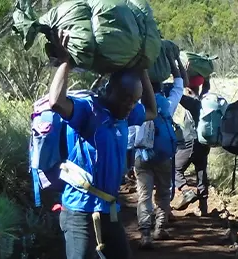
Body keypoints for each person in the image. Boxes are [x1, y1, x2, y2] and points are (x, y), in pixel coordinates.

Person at [46, 30, 158, 259]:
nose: (130, 105)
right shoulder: (88, 109)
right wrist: (67, 62)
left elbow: (151, 111)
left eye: (133, 100)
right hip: (79, 212)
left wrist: (143, 70)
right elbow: (56, 102)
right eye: (126, 98)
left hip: (109, 211)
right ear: (109, 91)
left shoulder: (125, 115)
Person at [130, 60, 185, 249]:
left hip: (141, 157)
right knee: (163, 192)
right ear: (160, 87)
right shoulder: (166, 104)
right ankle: (160, 226)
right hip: (163, 156)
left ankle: (145, 234)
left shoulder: (135, 105)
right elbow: (179, 86)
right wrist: (173, 61)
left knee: (143, 195)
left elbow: (129, 135)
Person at [172, 86, 211, 216]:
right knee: (201, 174)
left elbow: (178, 96)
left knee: (174, 168)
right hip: (204, 144)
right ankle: (204, 209)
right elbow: (205, 86)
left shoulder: (193, 103)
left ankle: (186, 191)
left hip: (190, 142)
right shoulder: (206, 103)